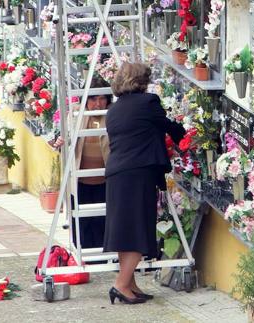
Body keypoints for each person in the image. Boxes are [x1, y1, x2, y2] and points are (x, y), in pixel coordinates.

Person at [103, 62, 185, 305]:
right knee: (138, 229)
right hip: (137, 174)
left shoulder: (113, 110)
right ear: (142, 81)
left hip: (117, 173)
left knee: (124, 231)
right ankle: (120, 284)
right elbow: (167, 126)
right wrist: (188, 138)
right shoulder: (148, 103)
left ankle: (130, 284)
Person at [54, 78, 111, 250]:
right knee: (82, 222)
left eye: (102, 98)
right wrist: (59, 141)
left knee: (104, 220)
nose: (98, 103)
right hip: (80, 182)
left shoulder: (113, 115)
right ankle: (84, 256)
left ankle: (105, 255)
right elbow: (60, 138)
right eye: (93, 99)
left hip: (106, 181)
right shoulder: (75, 114)